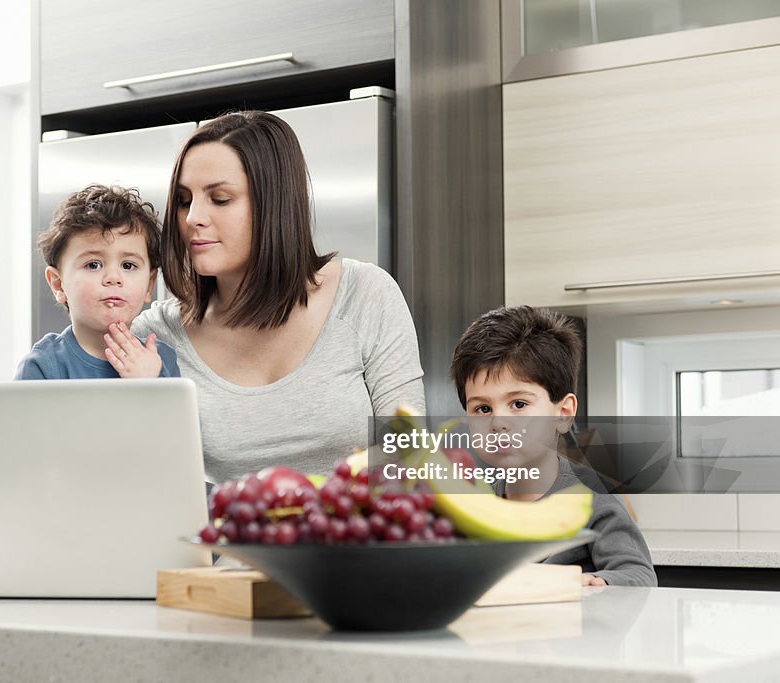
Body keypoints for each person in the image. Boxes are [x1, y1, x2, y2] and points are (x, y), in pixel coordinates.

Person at [109, 111, 425, 482]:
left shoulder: (367, 294)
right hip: (226, 540)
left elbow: (411, 455)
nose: (192, 217)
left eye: (220, 199)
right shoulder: (156, 335)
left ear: (274, 203)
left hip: (358, 535)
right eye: (183, 200)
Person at [450, 305, 657, 587]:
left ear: (563, 413)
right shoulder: (475, 501)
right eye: (483, 409)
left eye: (519, 404)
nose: (498, 423)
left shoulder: (593, 496)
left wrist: (599, 583)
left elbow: (639, 575)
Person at [15, 184, 180, 380]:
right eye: (93, 265)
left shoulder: (161, 360)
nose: (113, 278)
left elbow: (174, 412)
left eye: (128, 266)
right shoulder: (42, 366)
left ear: (149, 284)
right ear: (58, 284)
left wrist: (150, 383)